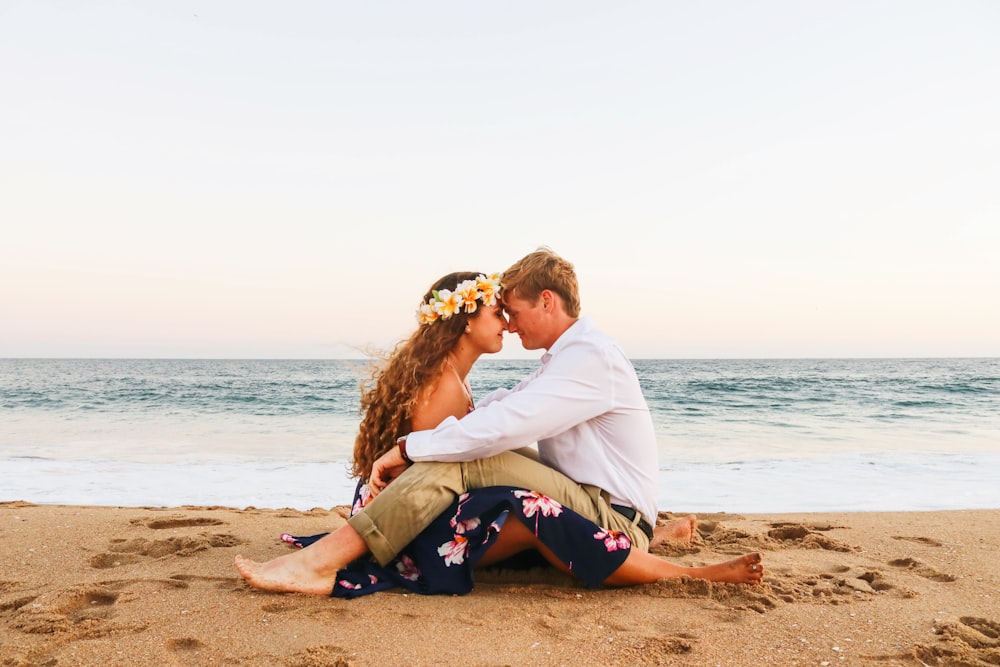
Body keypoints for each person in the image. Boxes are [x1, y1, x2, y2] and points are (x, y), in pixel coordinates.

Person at [235, 251, 763, 595]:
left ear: (547, 301)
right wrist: (420, 443)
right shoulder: (566, 358)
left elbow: (505, 424)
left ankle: (324, 561)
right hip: (602, 502)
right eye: (500, 313)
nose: (509, 323)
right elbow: (504, 405)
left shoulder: (590, 357)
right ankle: (333, 554)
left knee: (470, 458)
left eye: (513, 310)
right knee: (467, 454)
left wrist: (408, 448)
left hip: (612, 517)